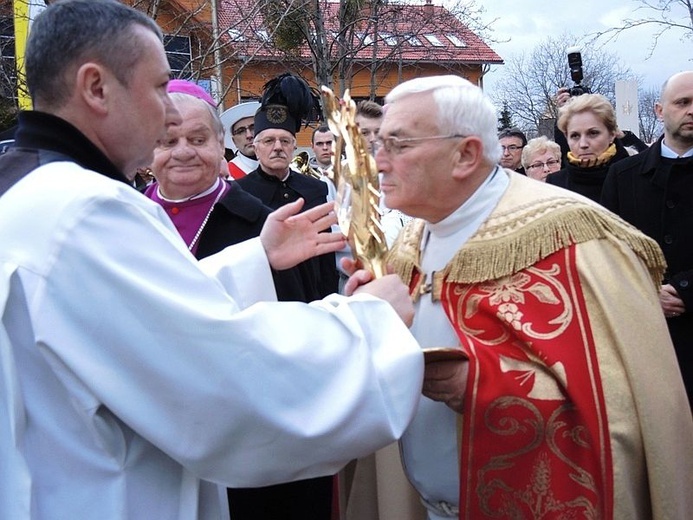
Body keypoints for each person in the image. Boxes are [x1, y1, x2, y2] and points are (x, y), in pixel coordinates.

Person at [0, 2, 425, 518]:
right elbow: (224, 391)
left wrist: (253, 259)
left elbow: (134, 323)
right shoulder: (86, 212)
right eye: (159, 88)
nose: (170, 112)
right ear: (96, 88)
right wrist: (372, 323)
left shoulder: (28, 188)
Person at [375, 74, 693, 519]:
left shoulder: (575, 236)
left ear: (465, 153)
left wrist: (483, 387)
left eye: (398, 144)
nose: (379, 162)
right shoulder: (410, 239)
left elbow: (626, 404)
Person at [145, 80, 333, 519]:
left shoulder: (265, 226)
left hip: (250, 432)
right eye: (166, 140)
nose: (183, 151)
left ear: (223, 145)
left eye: (197, 138)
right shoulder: (125, 219)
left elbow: (302, 329)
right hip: (155, 430)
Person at [601, 70, 693, 408]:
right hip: (644, 334)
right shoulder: (624, 176)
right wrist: (647, 292)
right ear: (659, 110)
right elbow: (608, 250)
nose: (691, 111)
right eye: (683, 102)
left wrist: (685, 290)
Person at [236, 73, 339, 300]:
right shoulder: (238, 193)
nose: (277, 147)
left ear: (294, 146)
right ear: (256, 146)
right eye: (268, 141)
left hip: (312, 298)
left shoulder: (315, 189)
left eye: (285, 141)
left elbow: (326, 259)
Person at [546, 93, 631, 201]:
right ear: (566, 137)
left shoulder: (634, 176)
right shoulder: (555, 184)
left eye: (593, 133)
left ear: (612, 134)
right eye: (575, 136)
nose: (583, 144)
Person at [220, 100, 261, 179]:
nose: (249, 135)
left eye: (253, 128)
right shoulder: (228, 175)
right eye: (241, 131)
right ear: (234, 141)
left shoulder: (280, 167)